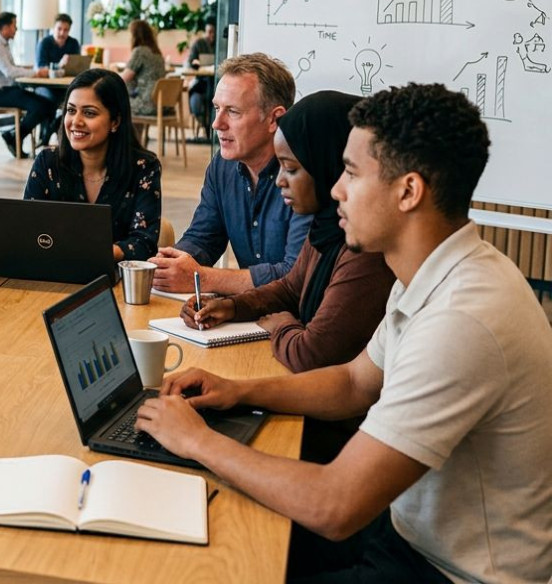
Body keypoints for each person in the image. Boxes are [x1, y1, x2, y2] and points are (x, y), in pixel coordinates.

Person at [137, 83, 552, 583]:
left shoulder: (462, 319)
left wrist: (199, 442)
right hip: (404, 532)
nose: (335, 188)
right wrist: (238, 390)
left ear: (408, 191)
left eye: (352, 173)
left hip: (446, 571)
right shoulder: (431, 273)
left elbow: (335, 506)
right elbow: (355, 382)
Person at [181, 91, 394, 373]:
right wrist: (231, 307)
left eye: (291, 169)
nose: (280, 180)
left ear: (327, 164)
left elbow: (311, 354)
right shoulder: (327, 227)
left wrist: (281, 325)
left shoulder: (365, 249)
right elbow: (291, 288)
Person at [149, 53, 311, 295]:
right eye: (216, 108)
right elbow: (204, 238)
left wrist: (201, 278)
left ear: (274, 119)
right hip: (252, 312)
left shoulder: (307, 175)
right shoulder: (222, 166)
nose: (217, 123)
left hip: (298, 319)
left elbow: (295, 275)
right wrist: (173, 263)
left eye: (233, 111)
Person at [23, 68, 161, 261]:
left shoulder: (143, 167)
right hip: (51, 276)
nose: (75, 121)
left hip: (113, 282)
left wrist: (90, 254)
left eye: (89, 113)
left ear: (115, 121)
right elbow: (27, 232)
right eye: (71, 110)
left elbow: (144, 243)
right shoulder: (47, 162)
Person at [0, 10, 55, 158]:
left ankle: (16, 136)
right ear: (6, 27)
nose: (16, 29)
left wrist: (31, 70)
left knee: (48, 104)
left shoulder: (2, 44)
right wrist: (36, 73)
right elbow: (9, 72)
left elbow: (11, 68)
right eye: (14, 25)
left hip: (8, 90)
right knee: (41, 106)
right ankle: (14, 136)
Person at [119, 19, 168, 117]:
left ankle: (126, 133)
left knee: (115, 103)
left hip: (147, 105)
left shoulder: (140, 51)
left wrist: (111, 74)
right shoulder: (157, 53)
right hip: (163, 105)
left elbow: (124, 78)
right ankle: (138, 133)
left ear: (135, 36)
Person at [185, 21, 216, 139]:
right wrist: (197, 63)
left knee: (211, 99)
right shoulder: (199, 44)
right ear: (205, 32)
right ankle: (205, 127)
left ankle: (210, 130)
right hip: (201, 82)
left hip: (215, 83)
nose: (211, 35)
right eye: (209, 32)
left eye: (213, 32)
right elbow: (192, 61)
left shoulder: (220, 44)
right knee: (196, 101)